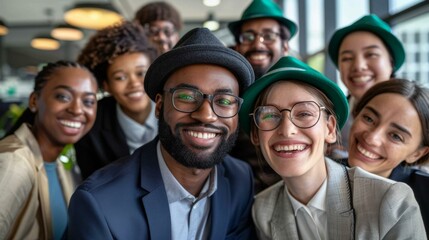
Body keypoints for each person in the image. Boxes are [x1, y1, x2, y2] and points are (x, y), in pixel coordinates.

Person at [66, 28, 256, 239]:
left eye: (224, 101)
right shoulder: (99, 203)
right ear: (159, 106)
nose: (206, 115)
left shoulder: (241, 180)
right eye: (186, 96)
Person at [239, 56, 426, 239]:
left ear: (330, 128)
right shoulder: (263, 209)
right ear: (256, 135)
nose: (287, 130)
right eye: (270, 115)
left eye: (304, 113)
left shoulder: (391, 201)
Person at [0, 61, 98, 240]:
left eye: (89, 101)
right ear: (34, 101)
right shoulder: (14, 162)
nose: (77, 109)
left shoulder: (60, 167)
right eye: (63, 96)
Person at [228, 0, 298, 193]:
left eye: (268, 36)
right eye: (248, 36)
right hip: (238, 204)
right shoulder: (227, 97)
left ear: (285, 46)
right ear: (237, 46)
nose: (257, 43)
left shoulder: (305, 94)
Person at [75, 21, 158, 179]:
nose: (134, 84)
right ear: (106, 85)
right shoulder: (91, 125)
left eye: (141, 73)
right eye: (120, 77)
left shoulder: (176, 110)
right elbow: (92, 186)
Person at [346, 79, 429, 236]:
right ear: (356, 114)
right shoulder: (317, 178)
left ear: (416, 154)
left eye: (396, 136)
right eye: (369, 119)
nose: (372, 138)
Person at [327, 14, 405, 157]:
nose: (358, 66)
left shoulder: (416, 115)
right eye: (347, 58)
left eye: (371, 54)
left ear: (391, 62)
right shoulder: (331, 114)